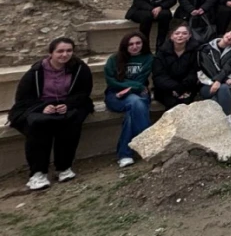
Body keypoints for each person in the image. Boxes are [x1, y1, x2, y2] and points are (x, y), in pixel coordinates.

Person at [8, 37, 93, 191]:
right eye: (60, 51)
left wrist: (67, 105)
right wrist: (42, 108)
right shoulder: (36, 71)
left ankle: (64, 167)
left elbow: (83, 93)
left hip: (67, 105)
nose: (64, 54)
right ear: (51, 53)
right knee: (39, 126)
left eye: (69, 51)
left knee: (72, 122)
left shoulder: (80, 68)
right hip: (38, 107)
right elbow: (22, 99)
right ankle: (38, 173)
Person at [103, 32, 153, 168]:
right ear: (125, 45)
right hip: (115, 95)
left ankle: (125, 154)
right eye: (131, 44)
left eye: (138, 43)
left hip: (138, 93)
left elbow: (141, 79)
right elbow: (111, 80)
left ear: (143, 44)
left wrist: (131, 88)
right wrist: (133, 86)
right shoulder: (114, 59)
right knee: (136, 103)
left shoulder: (148, 58)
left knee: (133, 109)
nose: (135, 46)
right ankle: (149, 144)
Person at [198, 29, 231, 129]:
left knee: (221, 91)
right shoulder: (205, 48)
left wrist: (219, 80)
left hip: (226, 83)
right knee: (223, 89)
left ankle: (222, 118)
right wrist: (219, 80)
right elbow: (208, 69)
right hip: (207, 84)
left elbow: (228, 67)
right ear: (226, 33)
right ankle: (227, 121)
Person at [152, 24, 199, 110]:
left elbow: (194, 72)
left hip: (187, 88)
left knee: (186, 103)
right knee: (173, 103)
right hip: (166, 89)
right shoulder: (162, 52)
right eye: (177, 33)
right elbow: (159, 75)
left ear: (189, 36)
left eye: (184, 33)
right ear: (172, 36)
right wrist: (175, 87)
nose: (180, 35)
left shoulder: (195, 52)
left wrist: (183, 87)